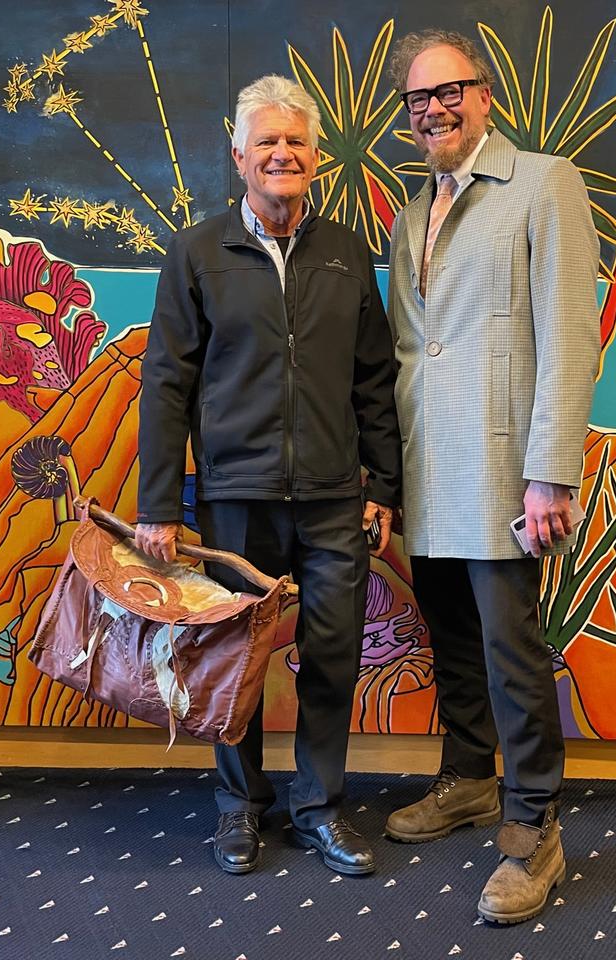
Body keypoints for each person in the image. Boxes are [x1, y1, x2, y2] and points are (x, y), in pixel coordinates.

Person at [135, 75, 400, 877]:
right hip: (235, 498)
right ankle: (239, 806)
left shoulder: (346, 253)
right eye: (268, 142)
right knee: (233, 658)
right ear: (239, 155)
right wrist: (158, 504)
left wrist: (384, 486)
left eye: (296, 142)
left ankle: (318, 807)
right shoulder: (197, 252)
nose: (282, 154)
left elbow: (374, 378)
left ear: (316, 158)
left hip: (332, 498)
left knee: (334, 653)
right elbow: (166, 382)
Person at [383, 31, 600, 923]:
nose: (434, 109)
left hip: (506, 469)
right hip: (427, 464)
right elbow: (412, 347)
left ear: (484, 94)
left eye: (450, 91)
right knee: (451, 639)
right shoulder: (411, 213)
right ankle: (470, 779)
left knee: (512, 652)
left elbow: (571, 335)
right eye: (418, 99)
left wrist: (550, 472)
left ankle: (533, 829)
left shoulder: (544, 183)